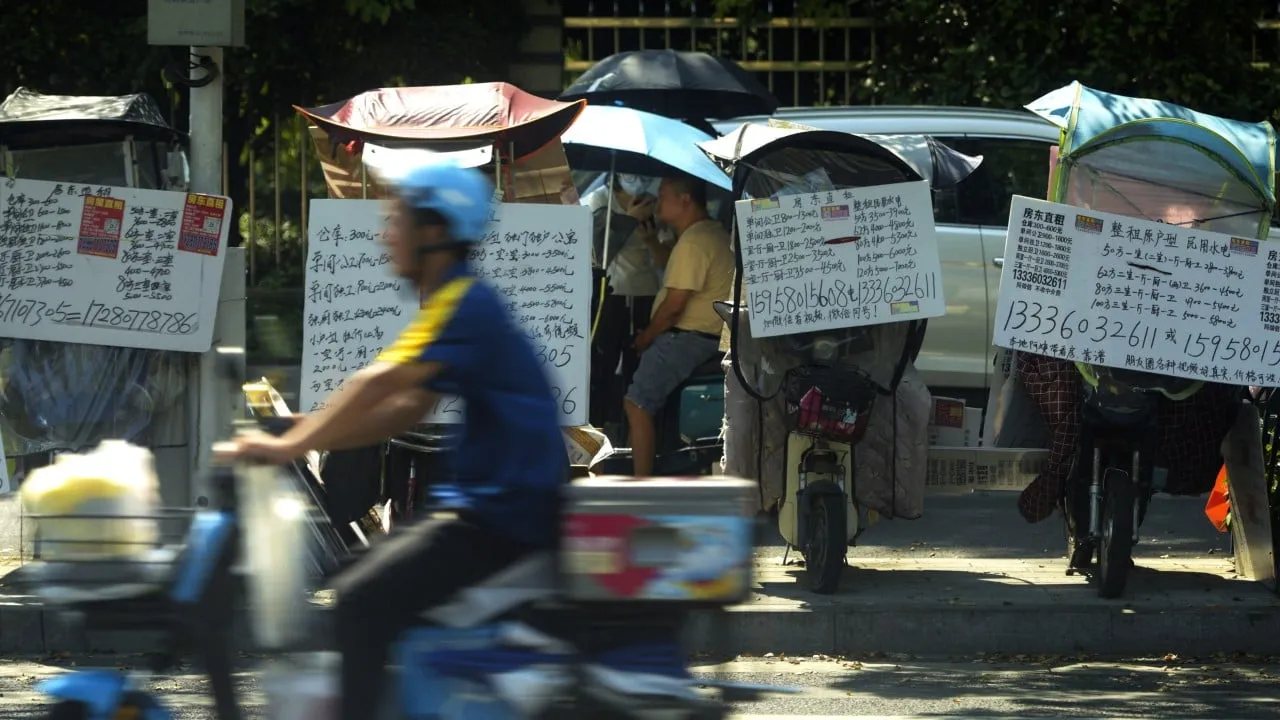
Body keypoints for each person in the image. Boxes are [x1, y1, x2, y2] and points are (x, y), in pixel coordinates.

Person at [218, 155, 565, 720]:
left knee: (359, 599)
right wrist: (314, 438)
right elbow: (407, 407)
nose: (386, 234)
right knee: (381, 588)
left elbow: (381, 380)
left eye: (396, 220)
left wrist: (287, 444)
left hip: (502, 517)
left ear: (434, 232)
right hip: (495, 510)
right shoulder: (460, 301)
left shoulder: (462, 303)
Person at [624, 174, 734, 477]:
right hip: (707, 337)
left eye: (663, 194)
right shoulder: (706, 234)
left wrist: (645, 338)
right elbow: (671, 263)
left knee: (636, 404)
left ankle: (640, 484)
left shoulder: (696, 240)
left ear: (684, 200)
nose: (657, 202)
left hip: (688, 338)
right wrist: (650, 240)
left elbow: (674, 307)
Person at [583, 174, 671, 427]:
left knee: (637, 370)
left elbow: (666, 259)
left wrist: (650, 239)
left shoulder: (655, 203)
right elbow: (595, 253)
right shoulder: (598, 200)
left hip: (646, 295)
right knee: (601, 366)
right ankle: (597, 426)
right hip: (609, 294)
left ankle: (629, 430)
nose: (639, 181)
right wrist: (628, 221)